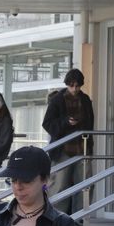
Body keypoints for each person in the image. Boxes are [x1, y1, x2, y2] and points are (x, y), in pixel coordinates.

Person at [42, 68, 95, 214]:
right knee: (59, 185)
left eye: (77, 85)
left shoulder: (85, 100)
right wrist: (66, 122)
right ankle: (58, 218)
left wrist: (89, 146)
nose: (75, 89)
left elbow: (90, 124)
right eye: (71, 85)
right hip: (62, 149)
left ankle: (80, 217)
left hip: (82, 148)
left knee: (85, 184)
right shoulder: (57, 100)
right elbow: (47, 123)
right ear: (67, 84)